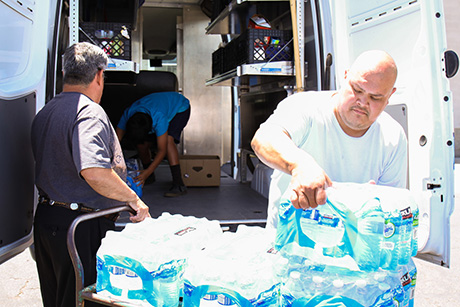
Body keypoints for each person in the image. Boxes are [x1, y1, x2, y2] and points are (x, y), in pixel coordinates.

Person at [31, 42, 150, 307]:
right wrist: (134, 200)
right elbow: (94, 171)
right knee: (82, 301)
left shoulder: (46, 111)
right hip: (79, 227)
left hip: (48, 220)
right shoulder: (89, 112)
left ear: (65, 74)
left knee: (58, 300)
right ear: (99, 75)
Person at [251, 50, 407, 229]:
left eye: (375, 97)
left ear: (389, 96)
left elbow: (391, 208)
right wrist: (300, 166)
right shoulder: (305, 107)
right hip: (292, 244)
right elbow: (264, 138)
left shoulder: (393, 137)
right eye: (357, 90)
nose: (363, 102)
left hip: (353, 248)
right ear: (345, 77)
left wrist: (369, 203)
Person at [116, 91, 191, 197]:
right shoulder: (128, 114)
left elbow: (162, 150)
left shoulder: (159, 119)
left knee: (168, 141)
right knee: (141, 144)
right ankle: (150, 177)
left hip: (179, 107)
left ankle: (179, 184)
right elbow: (115, 142)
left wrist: (147, 171)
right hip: (154, 108)